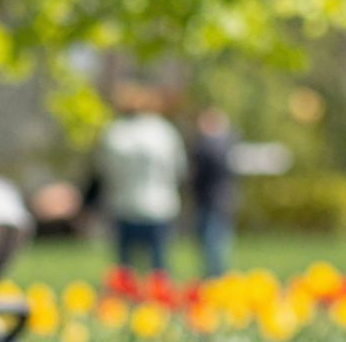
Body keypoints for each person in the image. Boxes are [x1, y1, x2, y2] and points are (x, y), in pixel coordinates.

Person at [90, 84, 188, 275]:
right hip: (160, 205)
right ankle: (159, 299)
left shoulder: (115, 133)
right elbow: (179, 168)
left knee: (125, 268)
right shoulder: (164, 132)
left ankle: (123, 299)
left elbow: (105, 169)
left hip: (125, 205)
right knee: (158, 267)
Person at [188, 107, 239, 279]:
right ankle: (214, 275)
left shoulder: (212, 145)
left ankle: (215, 276)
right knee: (214, 241)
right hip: (218, 199)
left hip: (213, 200)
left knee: (213, 242)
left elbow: (201, 172)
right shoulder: (227, 144)